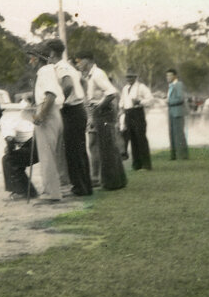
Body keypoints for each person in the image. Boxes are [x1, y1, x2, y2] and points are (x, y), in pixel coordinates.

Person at [73, 52, 127, 191]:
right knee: (101, 146)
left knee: (107, 147)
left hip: (103, 113)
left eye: (79, 61)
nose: (78, 64)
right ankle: (112, 180)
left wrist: (99, 106)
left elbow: (111, 92)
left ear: (88, 60)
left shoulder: (97, 74)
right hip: (98, 113)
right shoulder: (90, 76)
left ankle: (112, 182)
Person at [45, 39, 92, 196]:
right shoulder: (68, 66)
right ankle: (84, 186)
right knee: (78, 150)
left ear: (52, 53)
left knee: (74, 151)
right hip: (77, 109)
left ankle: (80, 187)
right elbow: (82, 82)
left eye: (48, 54)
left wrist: (60, 100)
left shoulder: (60, 67)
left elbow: (68, 85)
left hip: (72, 111)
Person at [26, 43, 65, 203]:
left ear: (38, 58)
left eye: (32, 58)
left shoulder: (45, 71)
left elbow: (51, 95)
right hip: (50, 112)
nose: (30, 62)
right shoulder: (48, 71)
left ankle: (52, 194)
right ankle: (51, 190)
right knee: (48, 154)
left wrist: (41, 115)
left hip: (48, 114)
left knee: (47, 154)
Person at [1, 102, 38, 199]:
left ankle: (23, 191)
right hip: (35, 143)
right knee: (12, 158)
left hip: (34, 145)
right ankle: (27, 190)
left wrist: (9, 150)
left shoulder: (4, 122)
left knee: (8, 159)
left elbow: (10, 140)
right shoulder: (6, 119)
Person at [118, 69, 153, 171]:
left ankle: (146, 165)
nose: (129, 79)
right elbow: (122, 101)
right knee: (132, 138)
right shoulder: (125, 88)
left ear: (135, 77)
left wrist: (140, 101)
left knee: (141, 138)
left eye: (131, 77)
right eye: (127, 77)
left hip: (138, 113)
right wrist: (121, 110)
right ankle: (136, 164)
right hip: (128, 113)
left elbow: (150, 99)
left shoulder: (141, 87)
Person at [165, 68, 189, 160]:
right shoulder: (171, 86)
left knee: (179, 134)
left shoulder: (178, 84)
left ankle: (182, 155)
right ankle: (174, 155)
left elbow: (180, 98)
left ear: (175, 76)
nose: (168, 77)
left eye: (170, 75)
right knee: (172, 134)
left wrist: (168, 101)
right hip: (171, 112)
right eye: (167, 75)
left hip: (178, 112)